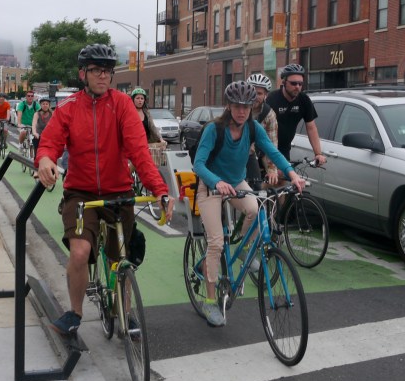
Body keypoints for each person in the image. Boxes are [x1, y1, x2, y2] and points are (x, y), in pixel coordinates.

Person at [35, 43, 175, 335]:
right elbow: (50, 142)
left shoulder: (122, 105)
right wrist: (45, 159)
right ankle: (74, 313)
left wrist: (160, 190)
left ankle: (124, 311)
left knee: (121, 259)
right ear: (83, 74)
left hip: (118, 192)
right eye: (96, 70)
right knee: (80, 252)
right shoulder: (68, 107)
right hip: (81, 193)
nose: (103, 76)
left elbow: (140, 153)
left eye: (108, 71)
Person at [193, 80, 305, 327]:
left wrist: (292, 174)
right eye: (237, 106)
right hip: (211, 186)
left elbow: (273, 152)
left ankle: (244, 250)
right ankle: (210, 301)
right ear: (229, 106)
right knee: (216, 243)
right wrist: (216, 181)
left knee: (256, 210)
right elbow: (199, 164)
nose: (242, 111)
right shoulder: (214, 129)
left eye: (246, 106)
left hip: (236, 182)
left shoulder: (253, 128)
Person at [265, 64, 327, 168]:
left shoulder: (304, 100)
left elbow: (311, 127)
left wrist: (318, 153)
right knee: (269, 177)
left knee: (286, 176)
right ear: (284, 82)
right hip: (267, 148)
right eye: (293, 83)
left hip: (285, 149)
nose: (297, 86)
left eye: (300, 83)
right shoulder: (272, 99)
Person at [247, 73, 279, 185]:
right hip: (234, 153)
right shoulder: (237, 109)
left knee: (258, 186)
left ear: (266, 95)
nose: (255, 96)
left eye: (259, 93)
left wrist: (272, 169)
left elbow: (272, 143)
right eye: (252, 92)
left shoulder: (269, 114)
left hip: (254, 154)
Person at [31, 96, 53, 178]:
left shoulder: (52, 114)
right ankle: (36, 170)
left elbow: (56, 125)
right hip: (39, 135)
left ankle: (51, 169)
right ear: (40, 105)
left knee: (52, 153)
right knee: (37, 153)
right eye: (43, 104)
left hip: (49, 137)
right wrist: (34, 133)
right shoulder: (37, 114)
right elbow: (34, 124)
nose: (45, 105)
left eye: (47, 104)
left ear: (49, 105)